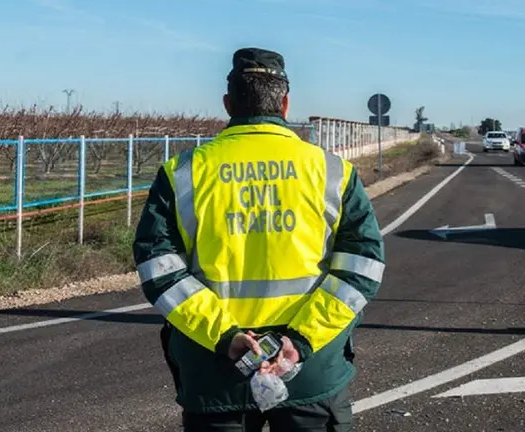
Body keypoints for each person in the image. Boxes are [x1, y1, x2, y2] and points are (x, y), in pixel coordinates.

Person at [132, 47, 385, 432]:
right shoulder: (332, 172)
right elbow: (362, 268)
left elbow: (158, 267)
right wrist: (299, 341)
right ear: (284, 104)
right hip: (309, 369)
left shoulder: (182, 173)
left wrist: (226, 337)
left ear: (228, 103)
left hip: (215, 371)